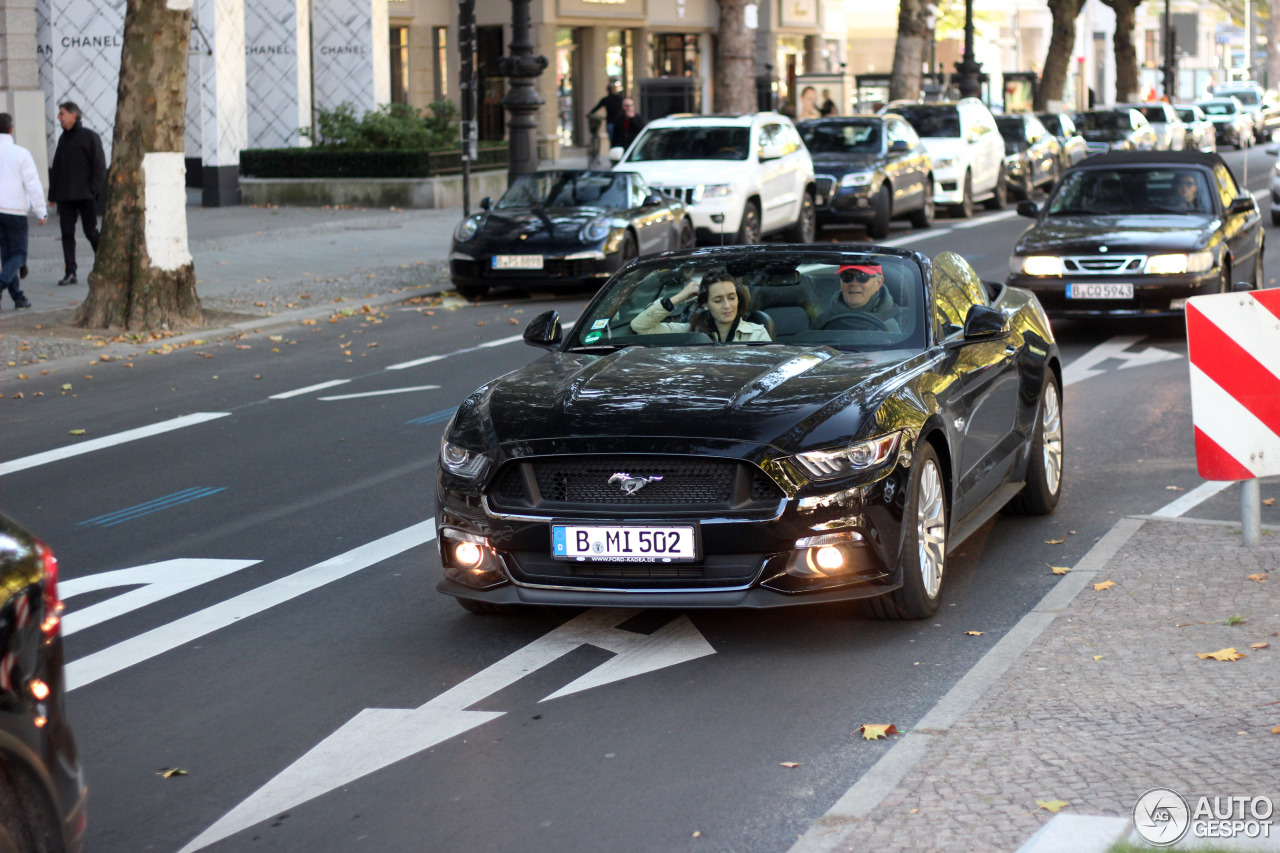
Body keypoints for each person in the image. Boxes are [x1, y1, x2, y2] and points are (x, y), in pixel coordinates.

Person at [48, 101, 106, 286]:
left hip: (85, 195)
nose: (59, 117)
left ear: (74, 115)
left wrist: (94, 189)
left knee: (90, 232)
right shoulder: (63, 139)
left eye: (62, 113)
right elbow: (57, 168)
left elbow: (99, 164)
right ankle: (70, 272)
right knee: (66, 233)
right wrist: (52, 195)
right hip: (65, 196)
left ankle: (104, 261)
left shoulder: (89, 137)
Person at [630, 272, 771, 342]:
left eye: (732, 298)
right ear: (705, 305)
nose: (727, 305)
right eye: (717, 300)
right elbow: (640, 327)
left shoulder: (757, 334)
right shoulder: (690, 331)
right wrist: (678, 298)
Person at [0, 113, 48, 310]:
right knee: (19, 254)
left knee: (7, 255)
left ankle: (18, 297)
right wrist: (41, 211)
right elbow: (33, 184)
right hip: (16, 210)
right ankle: (3, 285)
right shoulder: (21, 153)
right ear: (11, 129)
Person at [815, 264, 901, 332]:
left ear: (878, 283)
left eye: (862, 276)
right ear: (840, 281)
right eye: (846, 276)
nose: (853, 283)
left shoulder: (901, 323)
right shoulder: (823, 321)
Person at [587, 79, 624, 145]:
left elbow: (597, 107)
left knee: (612, 139)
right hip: (618, 121)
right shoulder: (619, 99)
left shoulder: (606, 99)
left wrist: (590, 113)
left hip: (611, 121)